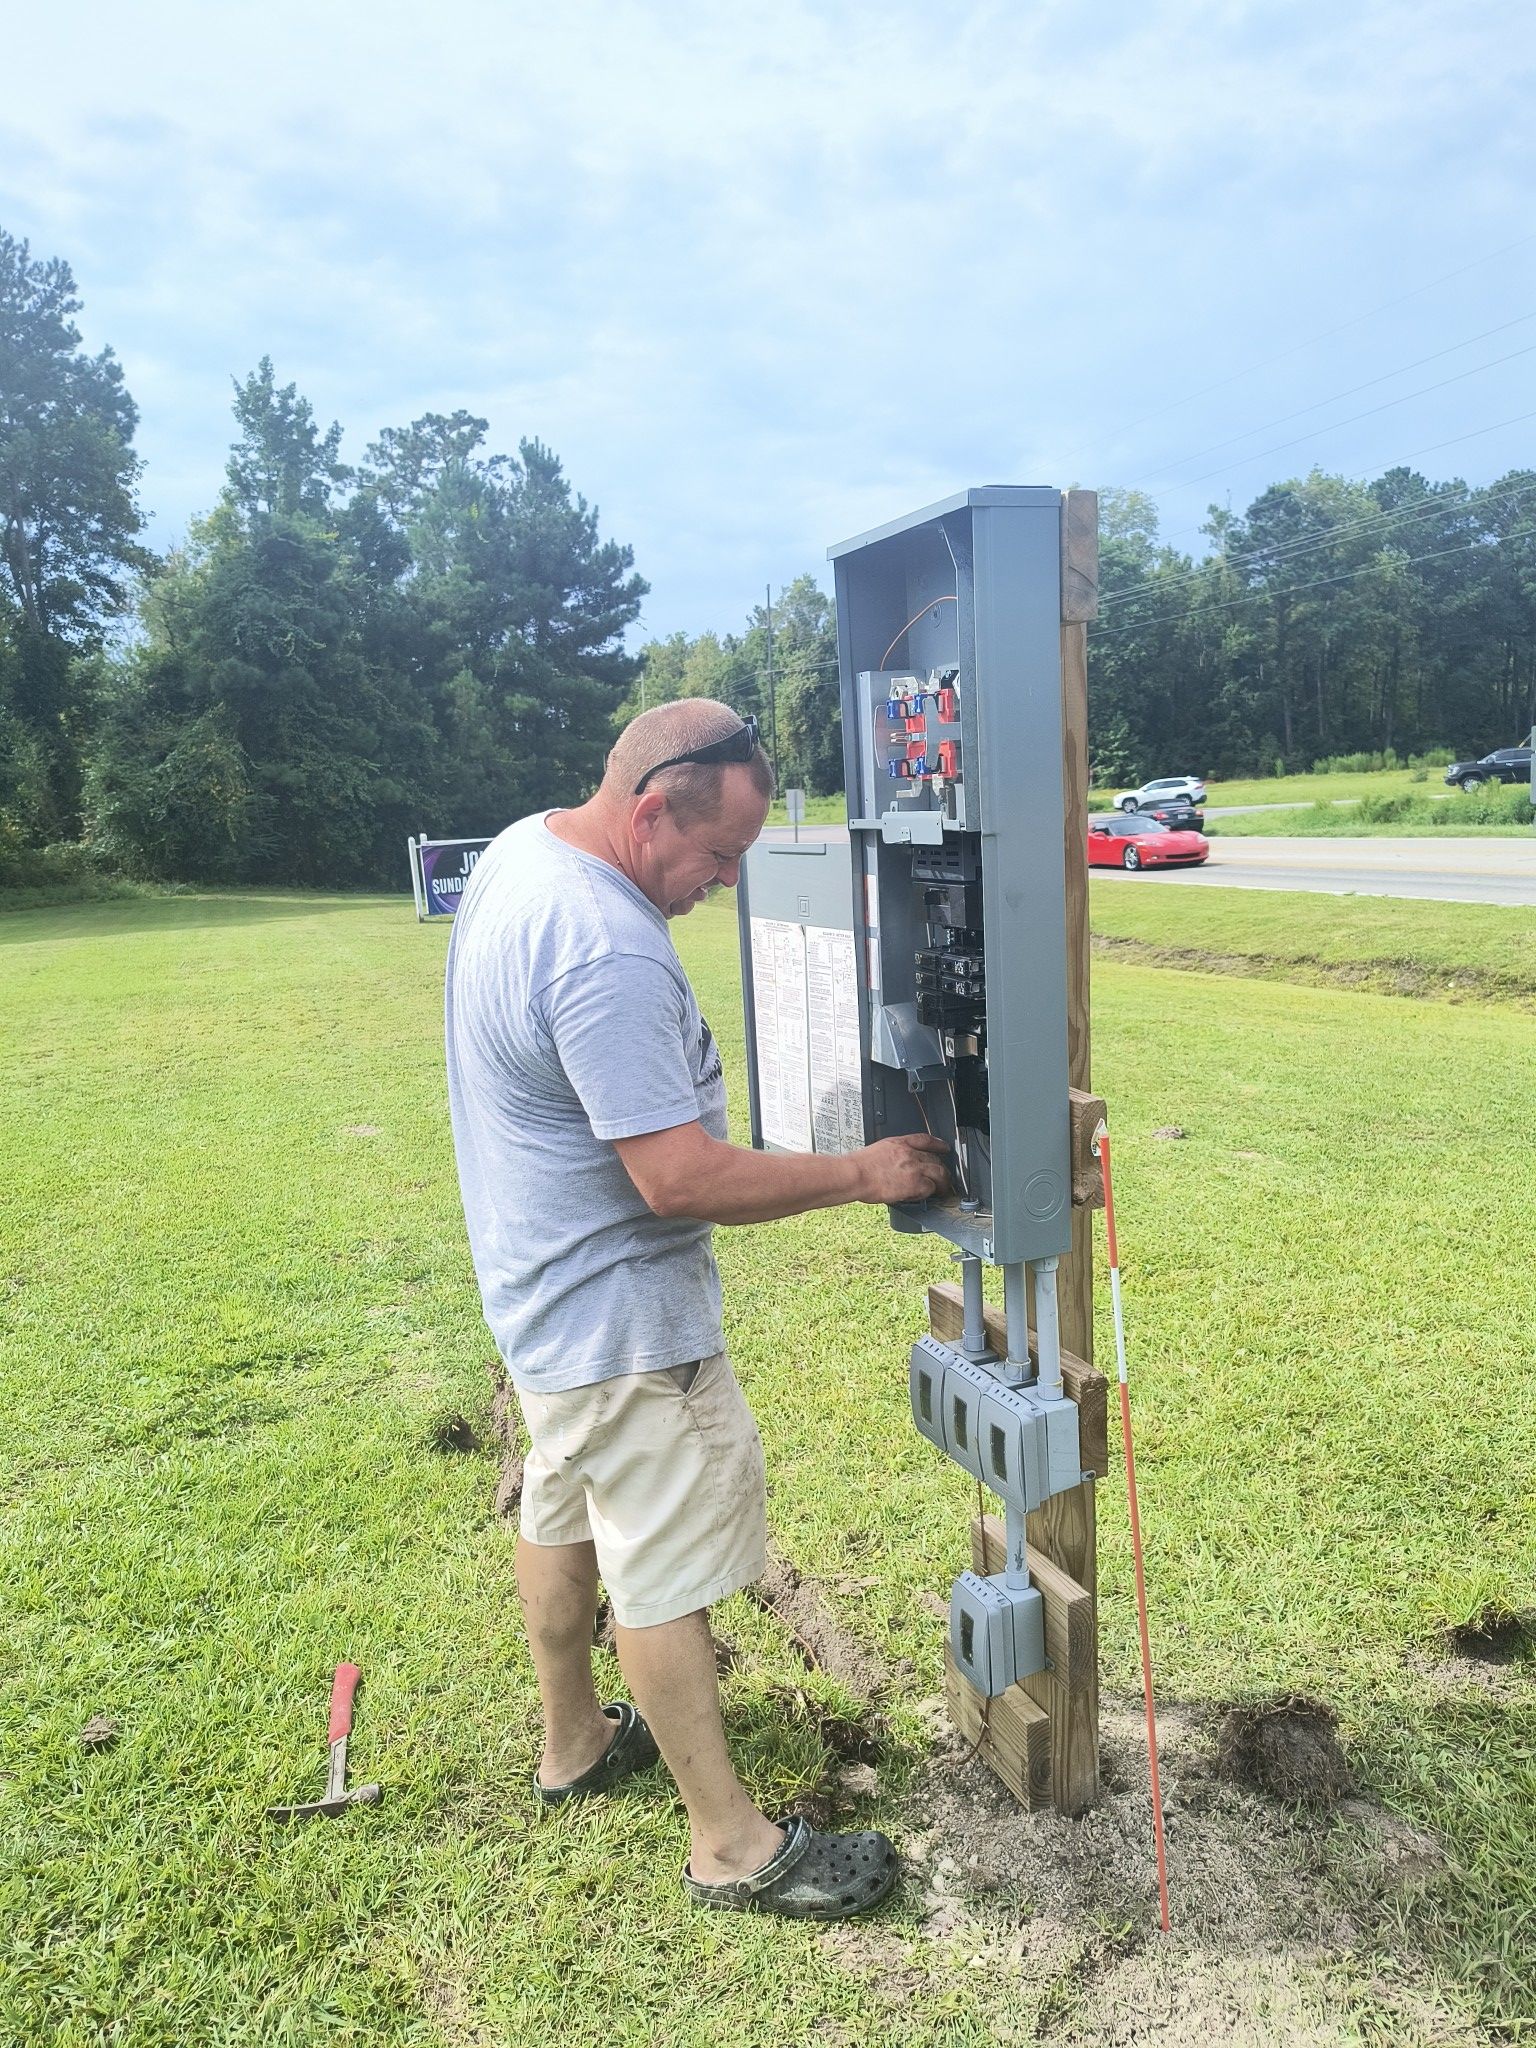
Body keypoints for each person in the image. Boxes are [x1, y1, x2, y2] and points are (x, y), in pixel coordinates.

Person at [444, 698, 948, 1921]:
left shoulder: (524, 851)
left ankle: (573, 1742)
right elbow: (675, 1175)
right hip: (622, 1326)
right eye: (720, 856)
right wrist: (863, 1172)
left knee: (562, 1510)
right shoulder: (603, 945)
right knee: (662, 1571)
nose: (722, 884)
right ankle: (729, 1841)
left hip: (539, 1305)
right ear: (652, 805)